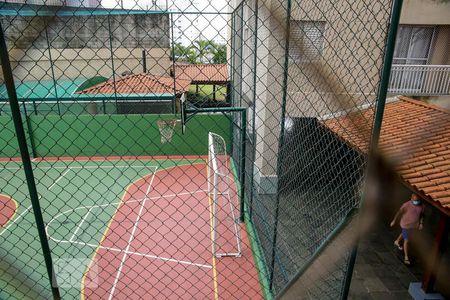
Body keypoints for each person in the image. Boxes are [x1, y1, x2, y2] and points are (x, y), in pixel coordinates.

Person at [390, 194, 424, 265]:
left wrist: (421, 223)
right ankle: (406, 257)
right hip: (405, 225)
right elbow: (399, 212)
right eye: (415, 200)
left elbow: (421, 215)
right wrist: (394, 220)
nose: (416, 202)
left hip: (413, 226)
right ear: (411, 198)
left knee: (405, 233)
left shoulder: (422, 206)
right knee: (407, 240)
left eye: (417, 200)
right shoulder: (406, 205)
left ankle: (397, 241)